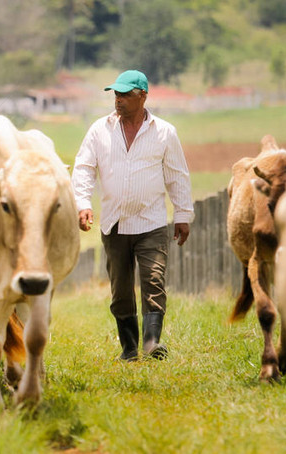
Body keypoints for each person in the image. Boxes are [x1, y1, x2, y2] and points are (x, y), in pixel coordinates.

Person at [71, 70, 194, 362]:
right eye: (116, 94)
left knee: (153, 280)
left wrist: (182, 214)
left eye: (126, 95)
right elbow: (84, 168)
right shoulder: (100, 130)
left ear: (143, 96)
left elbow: (177, 176)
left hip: (150, 222)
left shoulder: (164, 132)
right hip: (113, 223)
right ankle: (129, 350)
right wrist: (82, 202)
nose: (119, 100)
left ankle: (152, 343)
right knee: (121, 291)